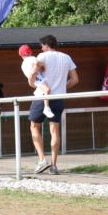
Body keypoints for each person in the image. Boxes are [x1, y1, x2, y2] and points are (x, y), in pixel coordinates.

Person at [28, 35, 79, 175]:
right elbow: (75, 79)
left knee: (34, 126)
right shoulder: (66, 57)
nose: (41, 48)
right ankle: (54, 165)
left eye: (42, 45)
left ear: (46, 45)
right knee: (54, 130)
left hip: (41, 96)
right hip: (58, 97)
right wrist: (63, 87)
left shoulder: (42, 56)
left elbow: (33, 72)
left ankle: (42, 159)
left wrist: (31, 80)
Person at [18, 44, 55, 119]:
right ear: (30, 52)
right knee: (47, 89)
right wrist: (42, 66)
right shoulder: (32, 58)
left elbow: (30, 76)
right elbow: (38, 64)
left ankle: (46, 107)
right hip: (37, 76)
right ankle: (46, 108)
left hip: (34, 78)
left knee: (44, 89)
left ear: (21, 55)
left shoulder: (23, 64)